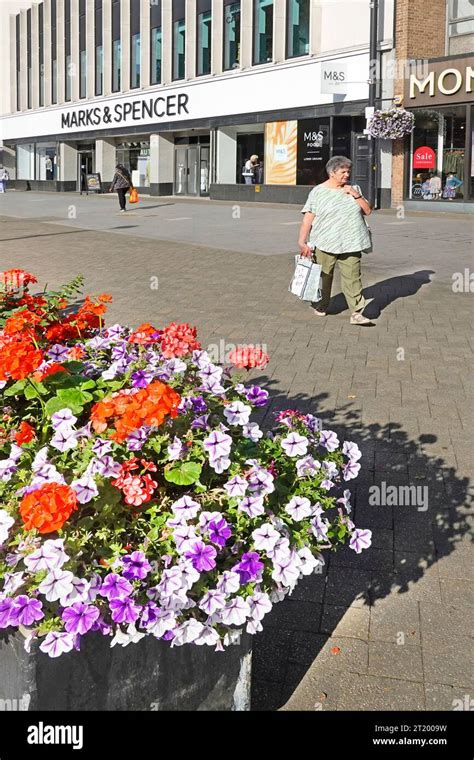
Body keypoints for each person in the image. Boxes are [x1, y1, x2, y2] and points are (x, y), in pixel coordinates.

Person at [298, 156, 374, 326]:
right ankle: (323, 304)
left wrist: (355, 195)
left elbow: (368, 211)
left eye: (348, 171)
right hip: (325, 242)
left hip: (352, 242)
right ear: (332, 173)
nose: (347, 174)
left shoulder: (354, 188)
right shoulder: (318, 191)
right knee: (325, 276)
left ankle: (356, 312)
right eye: (343, 171)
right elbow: (308, 218)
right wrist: (302, 241)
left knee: (353, 278)